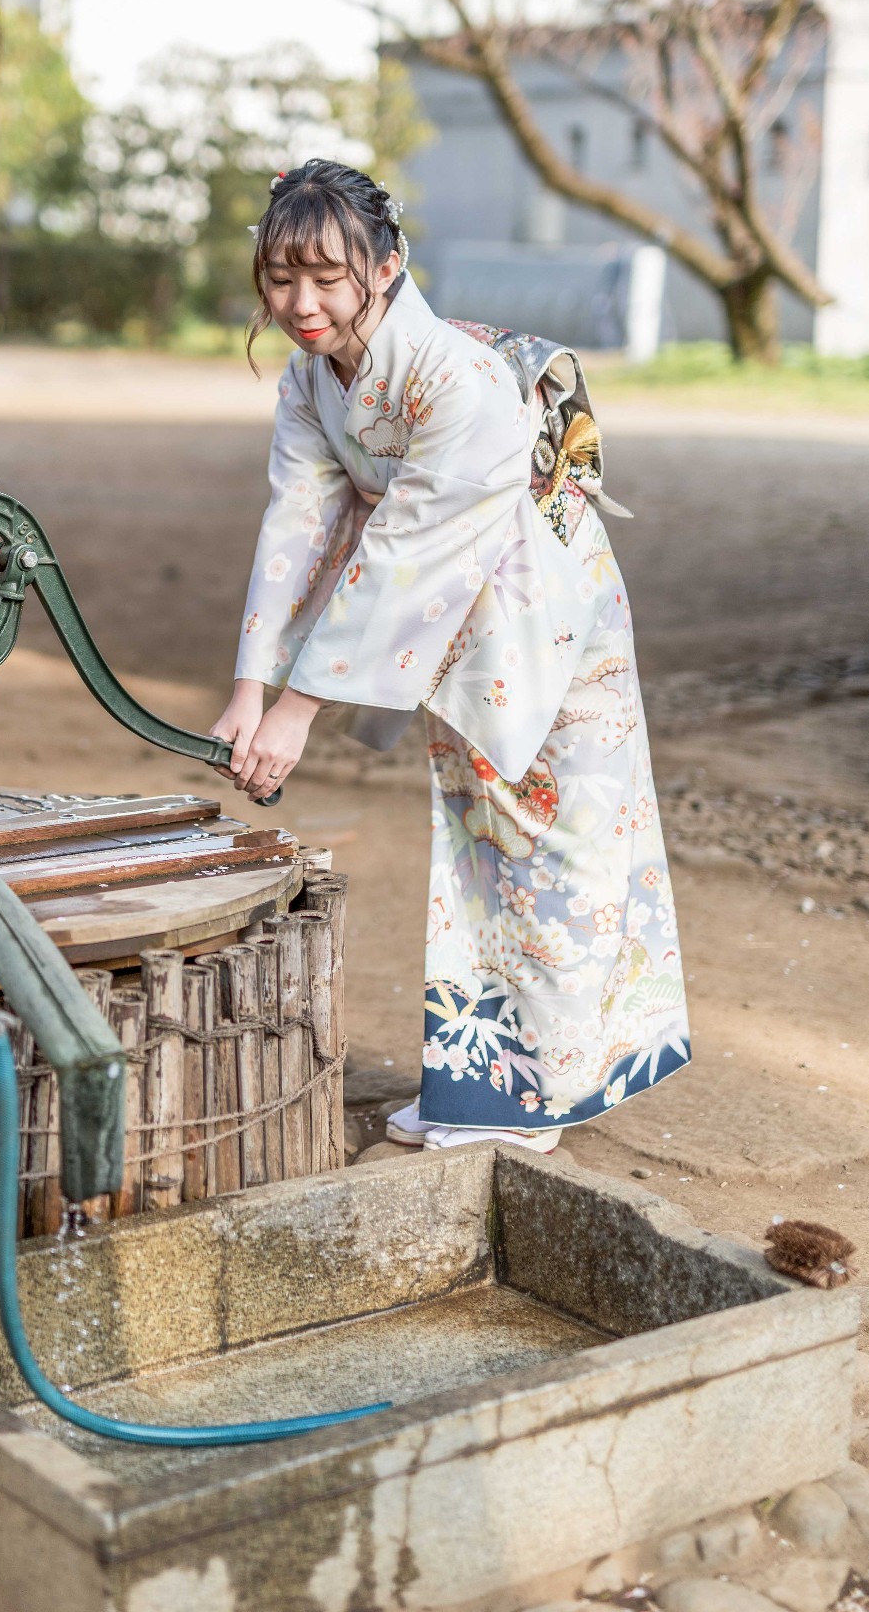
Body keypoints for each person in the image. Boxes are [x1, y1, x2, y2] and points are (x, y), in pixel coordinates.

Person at [209, 160, 690, 1154]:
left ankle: (532, 1098)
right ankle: (507, 1087)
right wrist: (247, 688)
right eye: (280, 277)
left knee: (548, 830)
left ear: (385, 269)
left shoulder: (455, 378)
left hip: (538, 608)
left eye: (326, 278)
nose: (299, 303)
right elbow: (298, 518)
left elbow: (400, 550)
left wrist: (296, 711)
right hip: (455, 610)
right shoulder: (312, 375)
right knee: (484, 827)